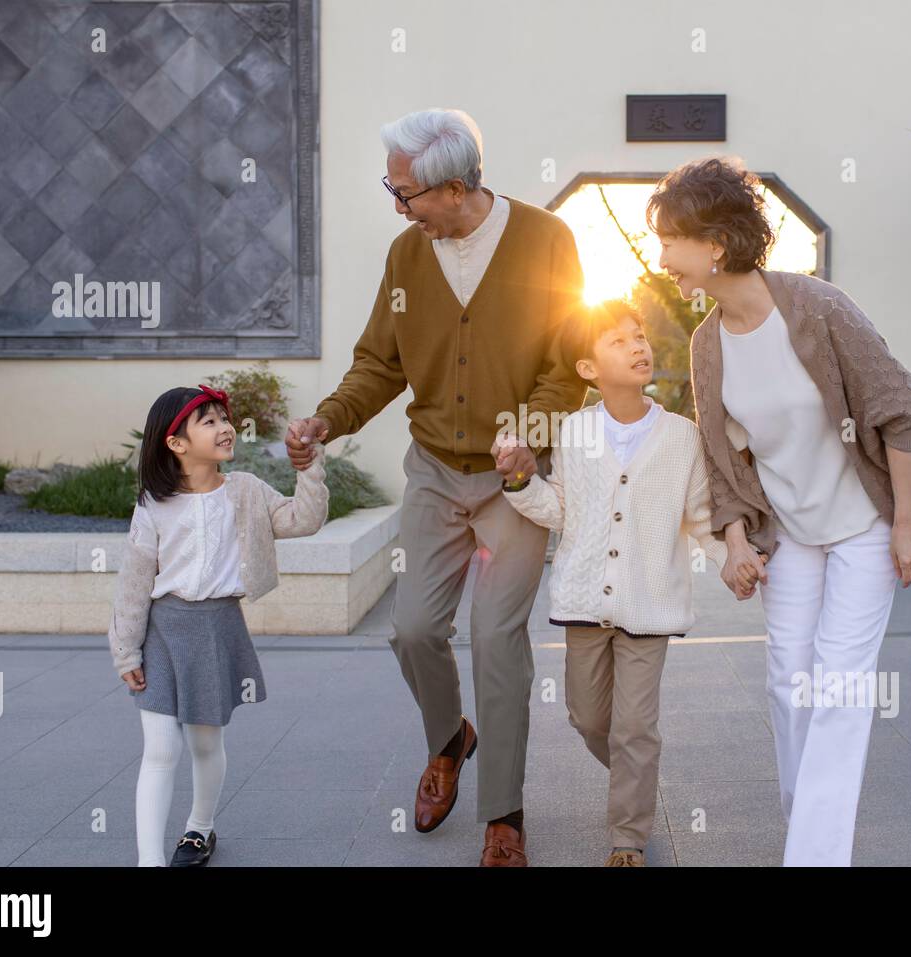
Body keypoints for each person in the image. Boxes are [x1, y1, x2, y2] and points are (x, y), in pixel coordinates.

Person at [283, 108, 587, 866]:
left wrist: (530, 433)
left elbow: (569, 362)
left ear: (455, 187)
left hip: (513, 480)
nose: (398, 206)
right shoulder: (407, 256)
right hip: (433, 470)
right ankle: (450, 737)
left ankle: (504, 813)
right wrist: (328, 419)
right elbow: (380, 362)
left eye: (406, 192)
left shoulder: (548, 240)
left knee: (496, 637)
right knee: (413, 628)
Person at [654, 157, 911, 866]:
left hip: (866, 525)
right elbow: (723, 460)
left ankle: (814, 857)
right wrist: (733, 539)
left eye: (670, 241)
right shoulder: (707, 343)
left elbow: (899, 407)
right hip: (793, 533)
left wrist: (907, 522)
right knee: (789, 682)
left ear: (715, 244)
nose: (662, 260)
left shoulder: (818, 309)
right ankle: (810, 831)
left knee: (839, 685)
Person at [499, 299, 757, 866]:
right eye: (617, 341)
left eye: (638, 336)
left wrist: (729, 560)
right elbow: (560, 509)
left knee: (636, 726)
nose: (637, 347)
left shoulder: (681, 436)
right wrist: (520, 480)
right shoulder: (573, 431)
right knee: (589, 718)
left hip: (650, 604)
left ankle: (628, 839)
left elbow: (696, 514)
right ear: (588, 369)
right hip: (584, 599)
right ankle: (633, 774)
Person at [108, 384, 329, 866]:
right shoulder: (153, 504)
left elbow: (304, 520)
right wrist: (125, 650)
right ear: (176, 443)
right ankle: (149, 862)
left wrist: (310, 469)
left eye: (224, 419)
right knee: (162, 749)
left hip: (217, 627)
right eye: (208, 421)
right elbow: (133, 581)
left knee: (206, 741)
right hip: (162, 633)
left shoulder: (246, 490)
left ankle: (199, 829)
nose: (225, 427)